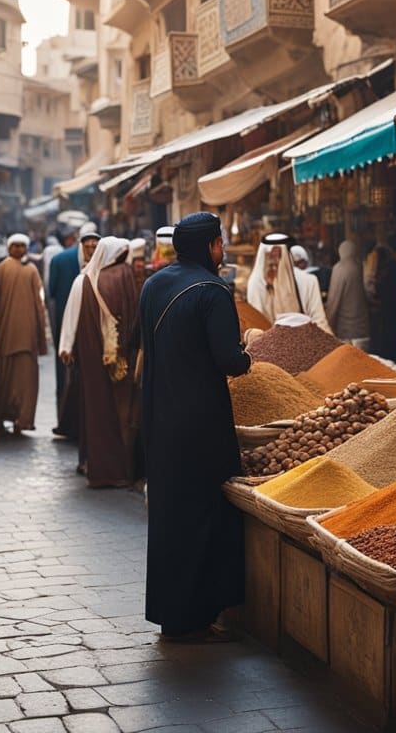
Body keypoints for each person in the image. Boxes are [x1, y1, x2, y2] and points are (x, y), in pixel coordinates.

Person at [139, 212, 251, 643]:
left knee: (171, 516)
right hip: (201, 422)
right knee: (204, 515)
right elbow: (228, 359)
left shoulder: (154, 285)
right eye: (219, 242)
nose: (222, 250)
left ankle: (173, 614)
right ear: (208, 245)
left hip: (160, 416)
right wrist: (247, 355)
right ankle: (199, 615)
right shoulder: (212, 290)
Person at [60, 238, 141, 486]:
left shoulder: (87, 281)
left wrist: (67, 348)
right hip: (114, 357)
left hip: (92, 357)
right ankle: (115, 468)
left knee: (96, 410)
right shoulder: (107, 278)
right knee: (111, 411)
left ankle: (99, 466)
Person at [0, 233, 49, 435]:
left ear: (26, 248)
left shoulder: (22, 270)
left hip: (15, 338)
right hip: (9, 336)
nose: (18, 249)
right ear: (9, 248)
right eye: (15, 246)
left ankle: (17, 420)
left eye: (21, 246)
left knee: (12, 381)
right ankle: (8, 419)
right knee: (12, 381)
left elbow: (38, 304)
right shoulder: (5, 270)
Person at [49, 226, 100, 439]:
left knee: (71, 376)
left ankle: (70, 421)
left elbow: (51, 292)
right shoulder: (62, 261)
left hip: (71, 327)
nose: (91, 249)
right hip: (78, 330)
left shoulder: (59, 260)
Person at [246, 233, 329, 332]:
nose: (273, 263)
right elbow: (256, 324)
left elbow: (319, 322)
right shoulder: (256, 284)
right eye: (270, 256)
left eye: (276, 256)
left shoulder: (308, 281)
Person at [325, 240, 369, 347]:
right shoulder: (361, 267)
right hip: (363, 329)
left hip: (345, 331)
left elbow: (334, 300)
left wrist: (327, 325)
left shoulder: (339, 268)